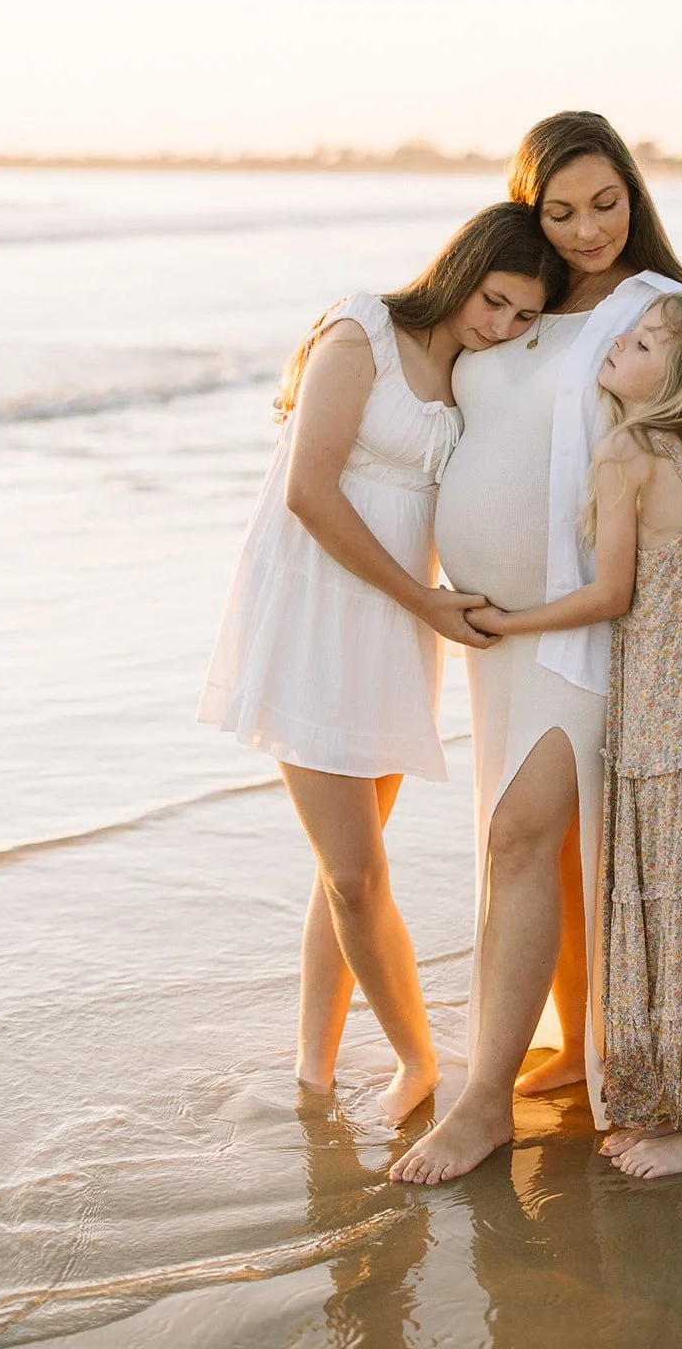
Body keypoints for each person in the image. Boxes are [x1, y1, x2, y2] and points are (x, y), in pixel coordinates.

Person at [391, 111, 682, 1184]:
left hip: (584, 629)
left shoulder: (663, 311)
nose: (587, 227)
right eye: (559, 210)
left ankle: (478, 1106)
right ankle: (568, 1046)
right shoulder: (518, 304)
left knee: (520, 834)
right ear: (528, 208)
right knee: (536, 848)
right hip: (491, 633)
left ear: (633, 195)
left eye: (604, 202)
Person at [198, 203, 566, 1125]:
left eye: (525, 316)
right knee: (356, 876)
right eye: (496, 301)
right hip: (315, 621)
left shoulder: (473, 371)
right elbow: (310, 492)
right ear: (462, 269)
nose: (505, 327)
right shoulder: (361, 328)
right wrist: (427, 605)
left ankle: (312, 1072)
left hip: (394, 633)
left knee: (345, 870)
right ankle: (417, 1063)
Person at [459, 292, 682, 1177]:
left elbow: (610, 596)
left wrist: (512, 620)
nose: (621, 342)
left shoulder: (626, 451)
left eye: (645, 341)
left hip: (673, 705)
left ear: (679, 378)